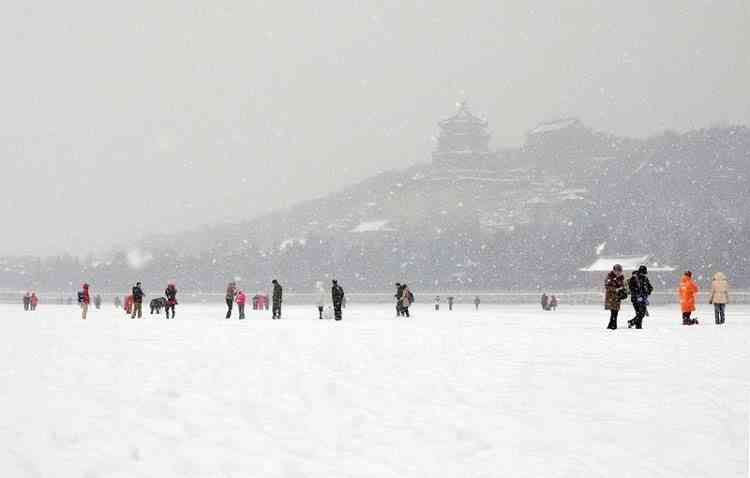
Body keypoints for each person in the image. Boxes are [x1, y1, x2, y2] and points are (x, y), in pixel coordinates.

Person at [604, 264, 626, 330]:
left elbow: (623, 286)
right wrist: (616, 289)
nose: (618, 273)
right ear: (614, 270)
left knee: (615, 311)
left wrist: (623, 290)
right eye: (617, 271)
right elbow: (607, 287)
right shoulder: (609, 277)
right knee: (614, 311)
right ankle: (613, 325)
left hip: (617, 297)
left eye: (620, 271)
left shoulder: (621, 278)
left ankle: (611, 325)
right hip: (611, 297)